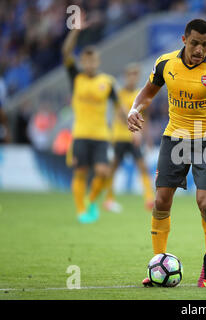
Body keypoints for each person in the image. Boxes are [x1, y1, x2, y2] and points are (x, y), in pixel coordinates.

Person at [127, 19, 206, 288]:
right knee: (160, 201)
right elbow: (147, 93)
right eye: (195, 43)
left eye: (205, 44)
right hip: (175, 138)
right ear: (184, 40)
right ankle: (158, 264)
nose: (199, 49)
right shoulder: (166, 64)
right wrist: (134, 109)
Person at [62, 20, 126, 224]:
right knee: (81, 173)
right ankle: (81, 210)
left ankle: (90, 200)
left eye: (93, 61)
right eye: (86, 61)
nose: (89, 64)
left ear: (97, 62)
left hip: (101, 135)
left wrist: (130, 120)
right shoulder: (76, 78)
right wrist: (75, 32)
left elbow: (119, 105)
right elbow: (65, 52)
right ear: (82, 62)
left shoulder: (107, 82)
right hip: (80, 133)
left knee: (104, 172)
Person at [103, 63, 155, 213]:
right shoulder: (118, 94)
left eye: (135, 75)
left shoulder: (142, 95)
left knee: (142, 166)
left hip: (136, 138)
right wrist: (134, 132)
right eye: (130, 75)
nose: (132, 78)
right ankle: (109, 199)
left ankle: (149, 199)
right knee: (113, 167)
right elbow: (120, 115)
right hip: (120, 136)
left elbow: (146, 117)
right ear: (126, 77)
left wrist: (148, 138)